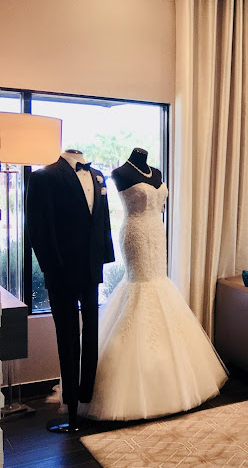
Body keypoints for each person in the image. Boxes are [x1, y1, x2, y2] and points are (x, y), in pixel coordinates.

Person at [79, 148, 227, 421]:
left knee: (160, 285)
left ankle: (178, 383)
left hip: (157, 234)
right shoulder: (120, 173)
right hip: (135, 234)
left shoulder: (156, 172)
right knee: (141, 286)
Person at [27, 149, 115, 432]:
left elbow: (103, 221)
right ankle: (71, 407)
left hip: (91, 270)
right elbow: (38, 228)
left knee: (91, 337)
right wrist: (52, 268)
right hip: (62, 272)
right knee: (67, 340)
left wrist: (105, 256)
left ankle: (85, 400)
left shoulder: (97, 175)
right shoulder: (44, 177)